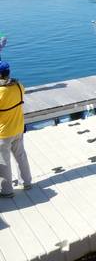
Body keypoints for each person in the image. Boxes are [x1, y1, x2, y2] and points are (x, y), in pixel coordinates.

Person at [0, 61, 31, 198]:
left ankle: (7, 191)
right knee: (21, 156)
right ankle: (26, 182)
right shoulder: (19, 86)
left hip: (3, 133)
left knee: (3, 161)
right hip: (18, 127)